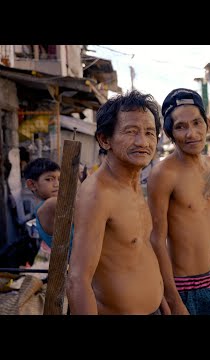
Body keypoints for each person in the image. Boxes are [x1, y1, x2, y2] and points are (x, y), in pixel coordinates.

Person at [66, 90, 169, 315]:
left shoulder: (133, 182)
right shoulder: (97, 193)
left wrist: (161, 300)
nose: (143, 141)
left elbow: (138, 250)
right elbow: (78, 279)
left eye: (150, 133)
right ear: (105, 140)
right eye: (131, 132)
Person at [148, 88, 210, 315]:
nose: (191, 133)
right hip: (182, 288)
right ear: (169, 132)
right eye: (181, 127)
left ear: (207, 124)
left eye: (196, 123)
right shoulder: (164, 174)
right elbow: (156, 239)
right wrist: (173, 300)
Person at [24, 158, 61, 250]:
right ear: (32, 185)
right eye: (49, 179)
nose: (57, 184)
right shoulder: (50, 204)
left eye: (59, 179)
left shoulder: (45, 206)